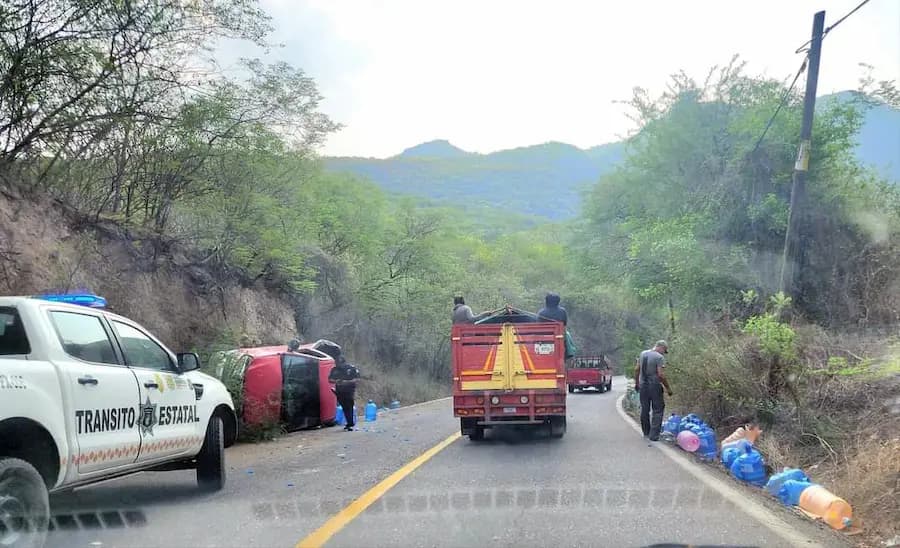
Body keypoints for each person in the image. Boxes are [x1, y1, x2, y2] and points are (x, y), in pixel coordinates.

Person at [633, 340, 673, 441]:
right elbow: (660, 375)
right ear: (661, 347)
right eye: (664, 350)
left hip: (643, 386)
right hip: (654, 386)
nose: (664, 353)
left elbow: (637, 369)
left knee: (645, 409)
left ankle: (646, 432)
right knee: (658, 409)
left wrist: (637, 383)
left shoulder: (642, 354)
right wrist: (668, 388)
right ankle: (654, 435)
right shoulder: (659, 357)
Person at [328, 356, 361, 431]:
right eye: (337, 364)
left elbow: (358, 379)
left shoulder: (351, 368)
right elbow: (330, 379)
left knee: (349, 405)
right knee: (344, 407)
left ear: (344, 362)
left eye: (340, 363)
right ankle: (349, 423)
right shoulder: (334, 369)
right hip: (339, 390)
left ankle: (350, 423)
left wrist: (347, 382)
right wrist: (336, 381)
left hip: (349, 390)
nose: (339, 365)